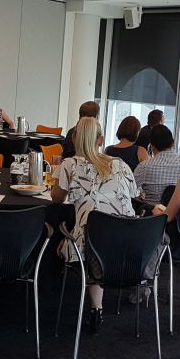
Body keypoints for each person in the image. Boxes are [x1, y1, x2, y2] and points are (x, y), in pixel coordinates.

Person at [51, 117, 138, 334]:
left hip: (91, 245)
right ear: (100, 140)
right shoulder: (120, 164)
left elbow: (56, 198)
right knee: (99, 231)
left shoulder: (70, 164)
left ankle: (96, 308)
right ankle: (101, 304)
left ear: (74, 138)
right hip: (132, 242)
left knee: (84, 234)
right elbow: (133, 195)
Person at [133, 125, 180, 204]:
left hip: (152, 211)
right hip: (179, 211)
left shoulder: (144, 167)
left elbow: (130, 190)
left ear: (151, 146)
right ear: (173, 143)